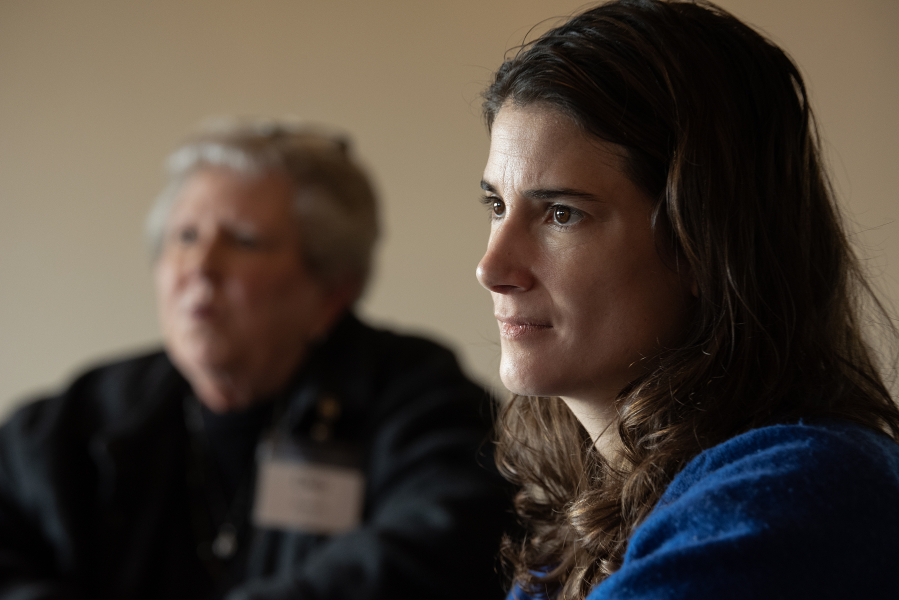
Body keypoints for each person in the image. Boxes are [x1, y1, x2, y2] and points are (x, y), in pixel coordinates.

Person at [475, 1, 899, 598]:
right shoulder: (582, 528)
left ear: (704, 243)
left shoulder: (803, 487)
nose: (492, 268)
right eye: (496, 205)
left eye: (561, 214)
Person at [0, 122, 509, 599]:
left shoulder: (418, 398)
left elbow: (445, 543)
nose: (200, 267)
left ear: (331, 290)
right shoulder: (73, 421)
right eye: (184, 237)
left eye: (243, 241)